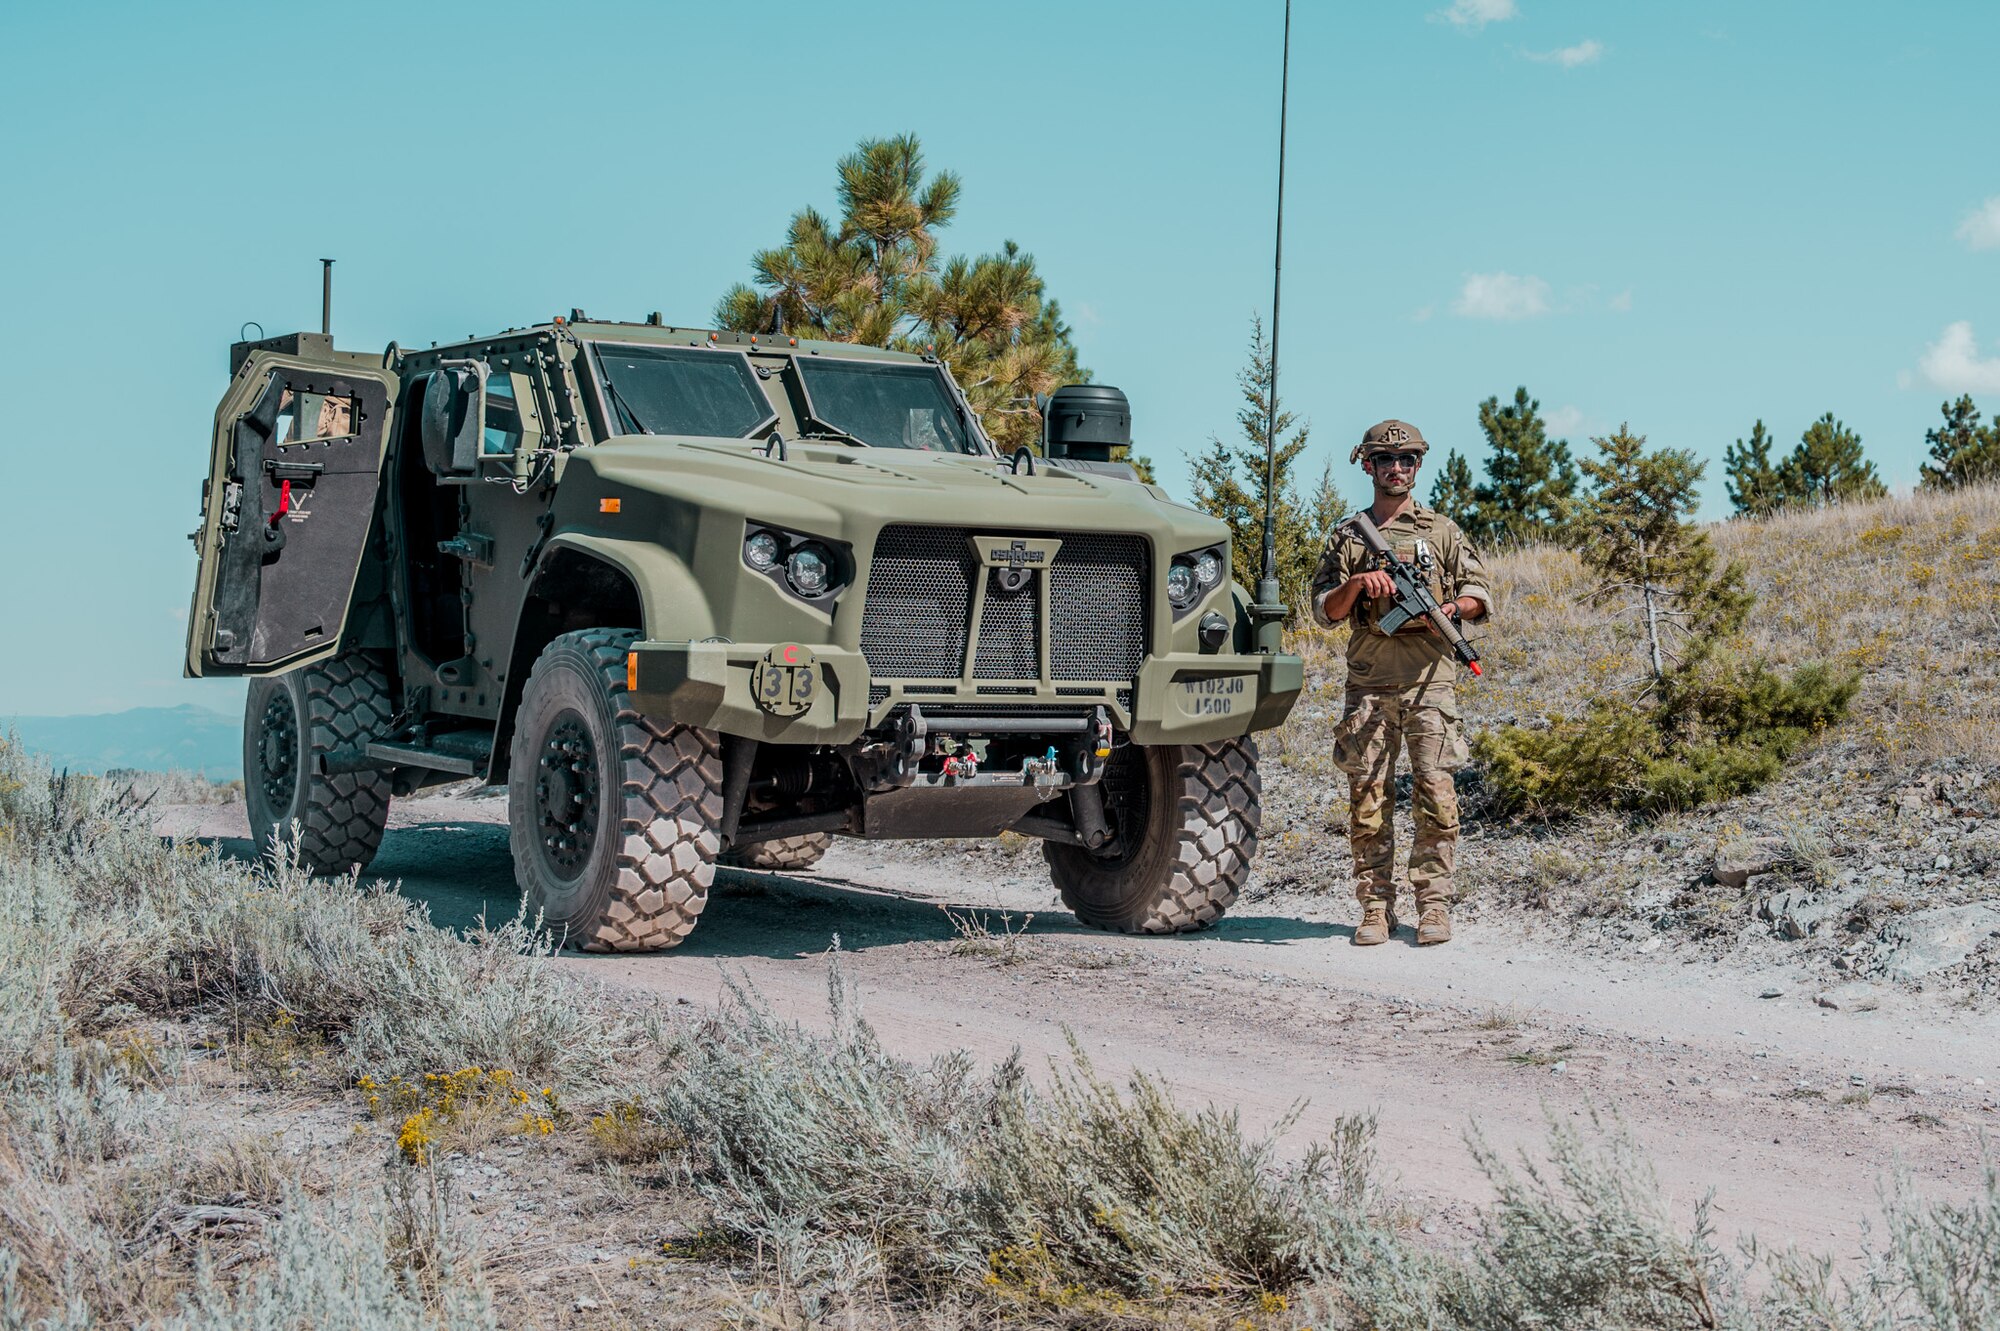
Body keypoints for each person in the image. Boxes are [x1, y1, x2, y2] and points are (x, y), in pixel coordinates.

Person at [1309, 420, 1491, 947]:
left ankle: (1433, 906)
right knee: (1368, 800)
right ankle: (1374, 909)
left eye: (1406, 460)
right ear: (1367, 465)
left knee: (1437, 797)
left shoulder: (1442, 531)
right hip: (1368, 687)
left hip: (1430, 685)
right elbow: (1324, 611)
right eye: (1386, 460)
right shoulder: (1348, 537)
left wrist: (1450, 608)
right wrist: (1358, 583)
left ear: (1417, 466)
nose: (1396, 468)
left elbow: (1480, 592)